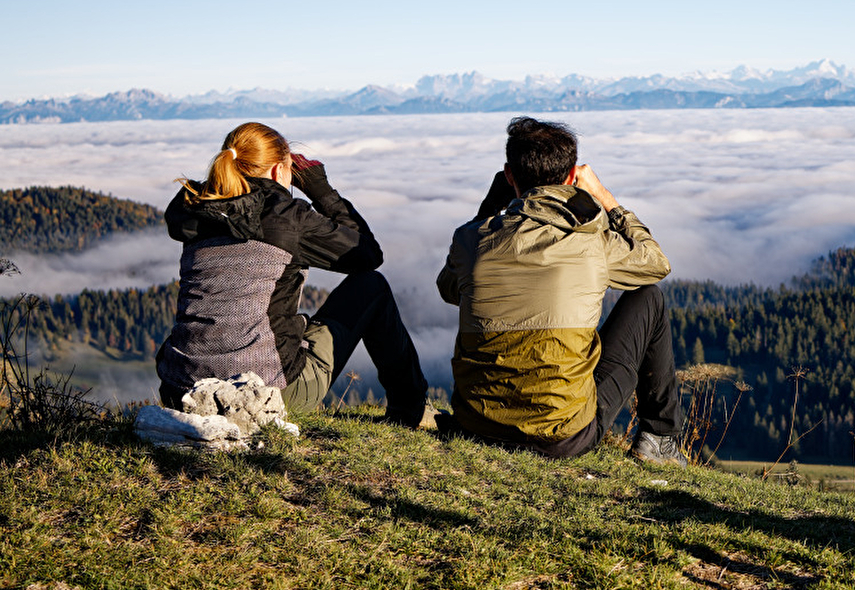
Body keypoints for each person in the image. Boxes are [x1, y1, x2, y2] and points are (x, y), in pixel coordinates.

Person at [437, 117, 686, 465]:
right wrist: (604, 198)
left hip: (477, 426)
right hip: (562, 437)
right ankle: (660, 439)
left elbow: (450, 288)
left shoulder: (471, 241)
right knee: (649, 297)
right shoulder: (592, 241)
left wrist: (488, 211)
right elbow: (656, 264)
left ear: (509, 176)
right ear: (572, 177)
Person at [156, 122, 433, 426]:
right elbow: (366, 255)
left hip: (182, 392)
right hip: (266, 394)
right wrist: (320, 189)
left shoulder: (195, 208)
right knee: (371, 287)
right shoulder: (287, 217)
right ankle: (411, 412)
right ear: (277, 171)